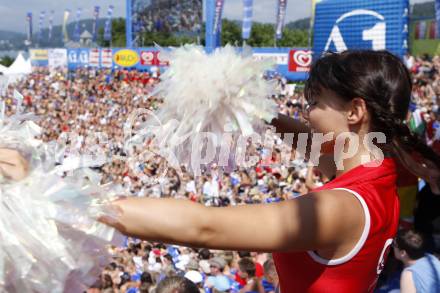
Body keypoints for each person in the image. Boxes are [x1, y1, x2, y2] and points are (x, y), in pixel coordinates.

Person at [5, 51, 440, 292]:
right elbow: (312, 143)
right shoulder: (383, 172)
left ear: (356, 111)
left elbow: (206, 226)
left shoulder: (341, 207)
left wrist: (61, 197)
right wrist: (243, 103)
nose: (306, 114)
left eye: (315, 102)